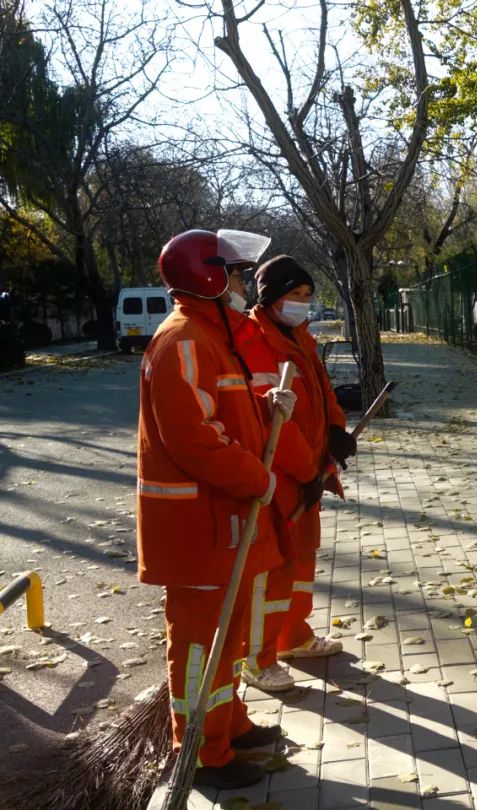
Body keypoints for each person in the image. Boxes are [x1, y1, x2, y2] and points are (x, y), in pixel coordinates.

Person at [136, 229, 297, 789]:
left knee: (226, 638)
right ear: (208, 279)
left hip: (222, 523)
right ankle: (203, 754)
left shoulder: (210, 336)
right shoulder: (183, 339)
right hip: (196, 528)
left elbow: (218, 406)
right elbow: (194, 438)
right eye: (233, 275)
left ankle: (230, 726)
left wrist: (262, 402)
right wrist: (258, 477)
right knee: (202, 645)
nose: (240, 286)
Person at [235, 254, 356, 692]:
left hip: (309, 472)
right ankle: (257, 656)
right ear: (270, 297)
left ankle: (293, 636)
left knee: (302, 559)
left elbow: (322, 393)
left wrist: (336, 431)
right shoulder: (254, 341)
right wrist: (308, 469)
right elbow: (272, 423)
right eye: (294, 295)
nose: (302, 303)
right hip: (280, 478)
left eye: (307, 296)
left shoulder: (299, 337)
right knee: (272, 566)